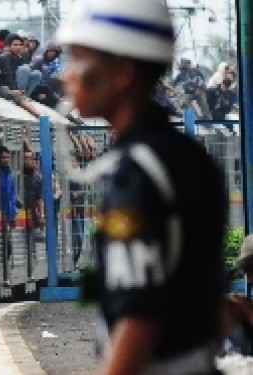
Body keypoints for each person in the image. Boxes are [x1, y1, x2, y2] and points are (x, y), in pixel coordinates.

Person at [57, 0, 227, 374]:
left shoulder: (136, 173)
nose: (65, 76)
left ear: (122, 72)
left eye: (79, 60)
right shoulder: (189, 157)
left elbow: (139, 317)